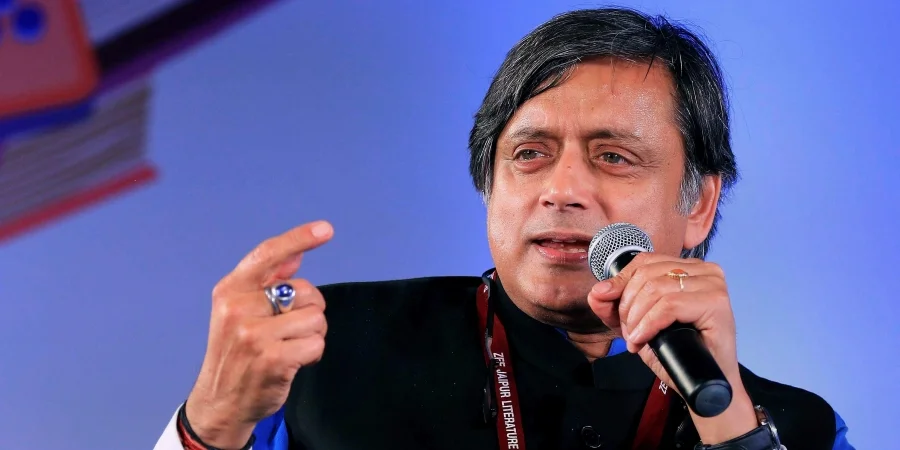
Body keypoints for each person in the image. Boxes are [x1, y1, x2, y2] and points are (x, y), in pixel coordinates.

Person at [154, 7, 854, 450]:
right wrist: (210, 421)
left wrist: (730, 428)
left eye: (613, 157)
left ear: (698, 203)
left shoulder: (799, 427)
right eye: (529, 154)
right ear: (489, 186)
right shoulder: (324, 352)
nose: (563, 190)